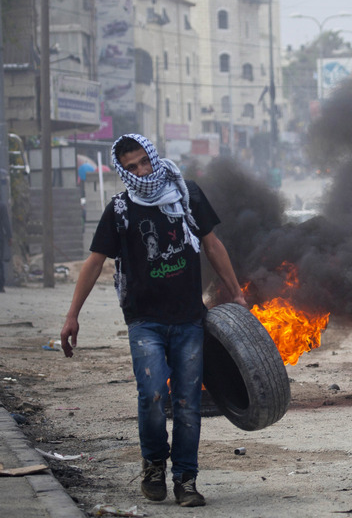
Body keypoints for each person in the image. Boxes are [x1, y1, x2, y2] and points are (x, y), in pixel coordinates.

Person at [61, 134, 245, 507]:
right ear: (123, 172)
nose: (142, 171)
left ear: (154, 156)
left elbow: (212, 244)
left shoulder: (186, 194)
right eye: (132, 167)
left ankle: (186, 480)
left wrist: (237, 292)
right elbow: (95, 261)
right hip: (144, 320)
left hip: (189, 319)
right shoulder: (120, 210)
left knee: (188, 403)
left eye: (145, 161)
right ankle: (154, 465)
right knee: (152, 396)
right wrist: (71, 315)